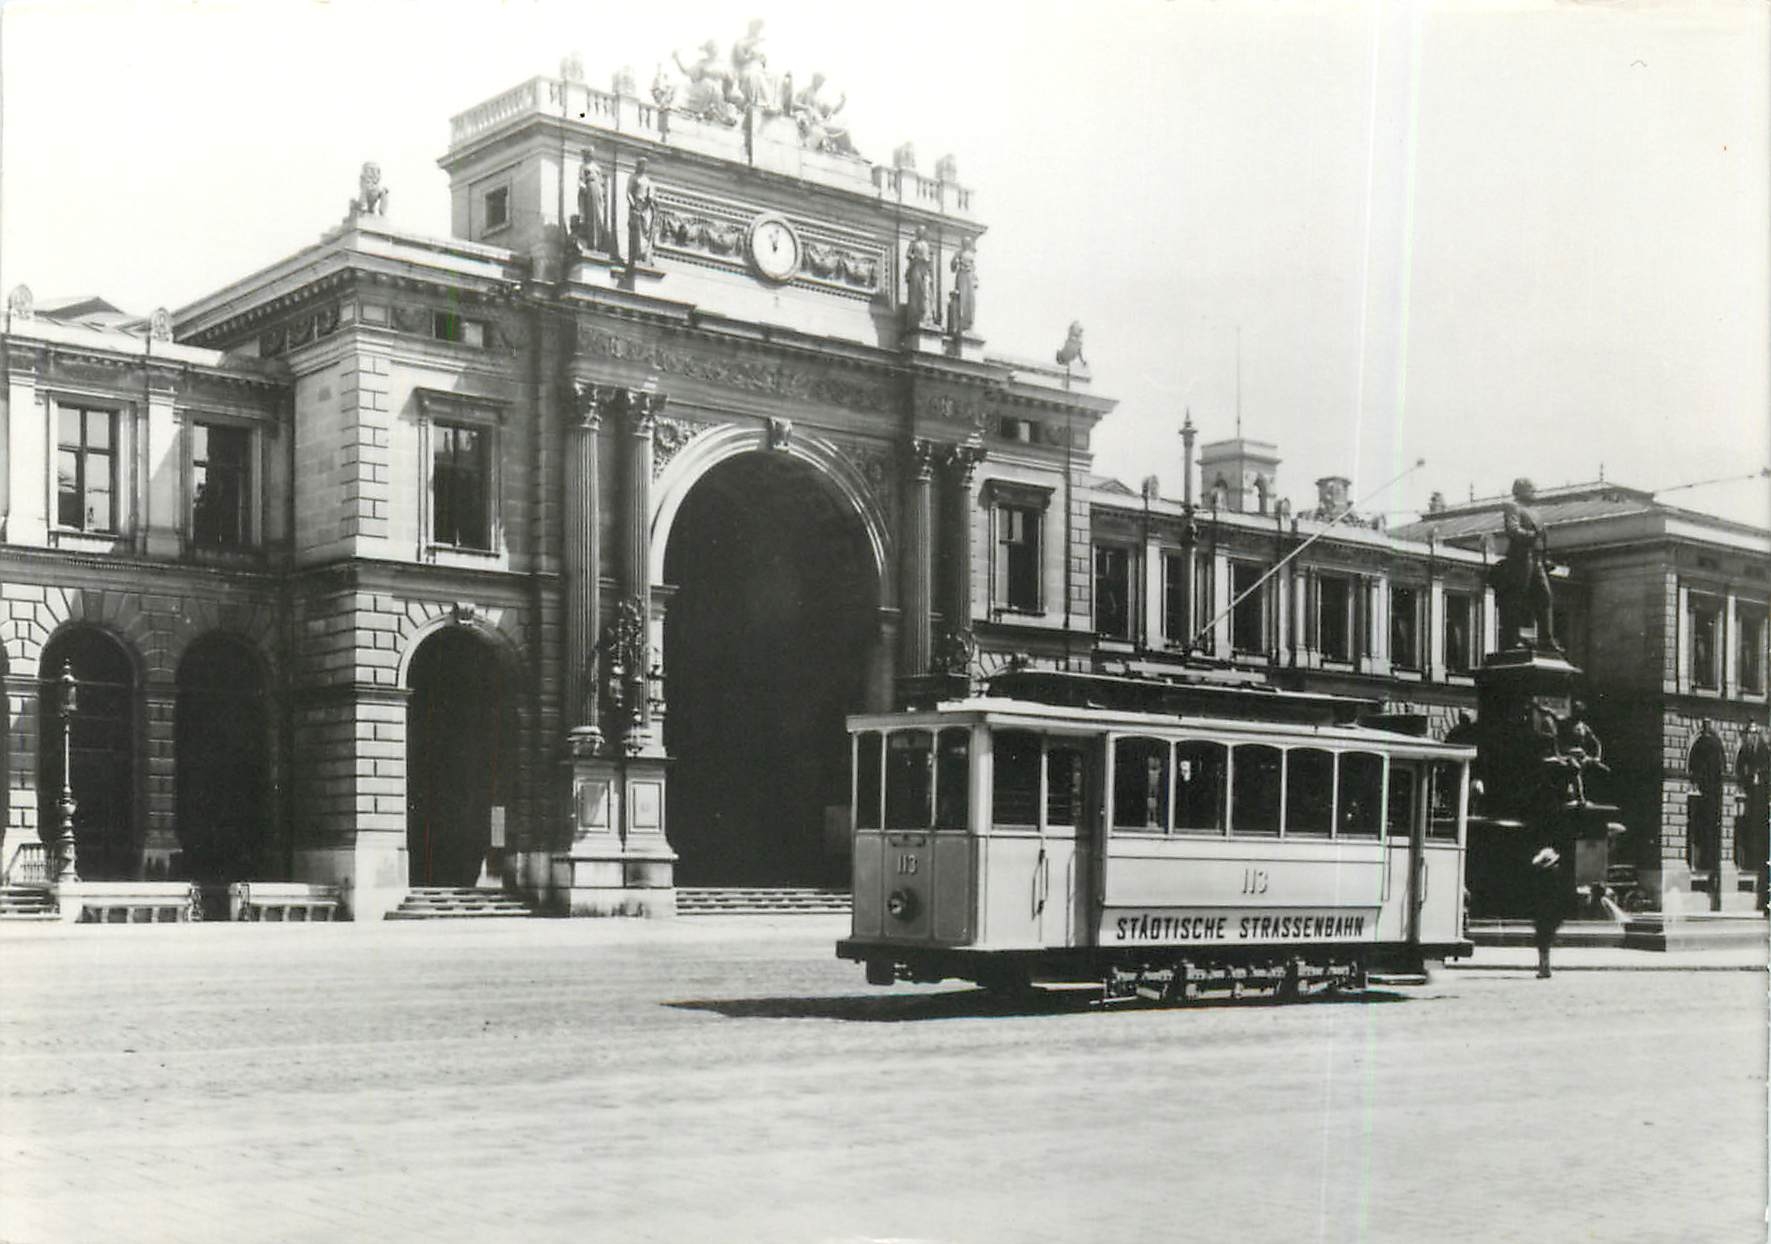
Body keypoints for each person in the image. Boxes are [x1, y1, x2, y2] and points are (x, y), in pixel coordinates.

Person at [1492, 477, 1557, 651]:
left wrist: (1545, 556)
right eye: (1532, 489)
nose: (1535, 492)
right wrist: (1531, 535)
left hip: (1537, 559)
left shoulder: (1536, 512)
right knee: (1517, 598)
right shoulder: (1513, 507)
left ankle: (1546, 639)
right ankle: (1512, 639)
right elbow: (1512, 530)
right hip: (1521, 558)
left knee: (1545, 597)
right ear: (1521, 490)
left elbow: (1542, 537)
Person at [1528, 845, 1572, 978]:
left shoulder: (1548, 876)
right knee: (1544, 940)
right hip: (1552, 912)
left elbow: (1545, 896)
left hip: (1547, 912)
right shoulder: (1557, 873)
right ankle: (1545, 967)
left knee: (1543, 940)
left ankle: (1544, 968)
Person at [627, 157, 657, 265]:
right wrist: (633, 205)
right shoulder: (633, 178)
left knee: (646, 230)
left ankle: (645, 252)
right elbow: (629, 192)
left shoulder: (648, 181)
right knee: (638, 230)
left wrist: (650, 198)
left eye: (645, 165)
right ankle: (638, 253)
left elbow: (651, 194)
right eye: (641, 164)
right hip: (637, 205)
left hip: (646, 207)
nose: (643, 167)